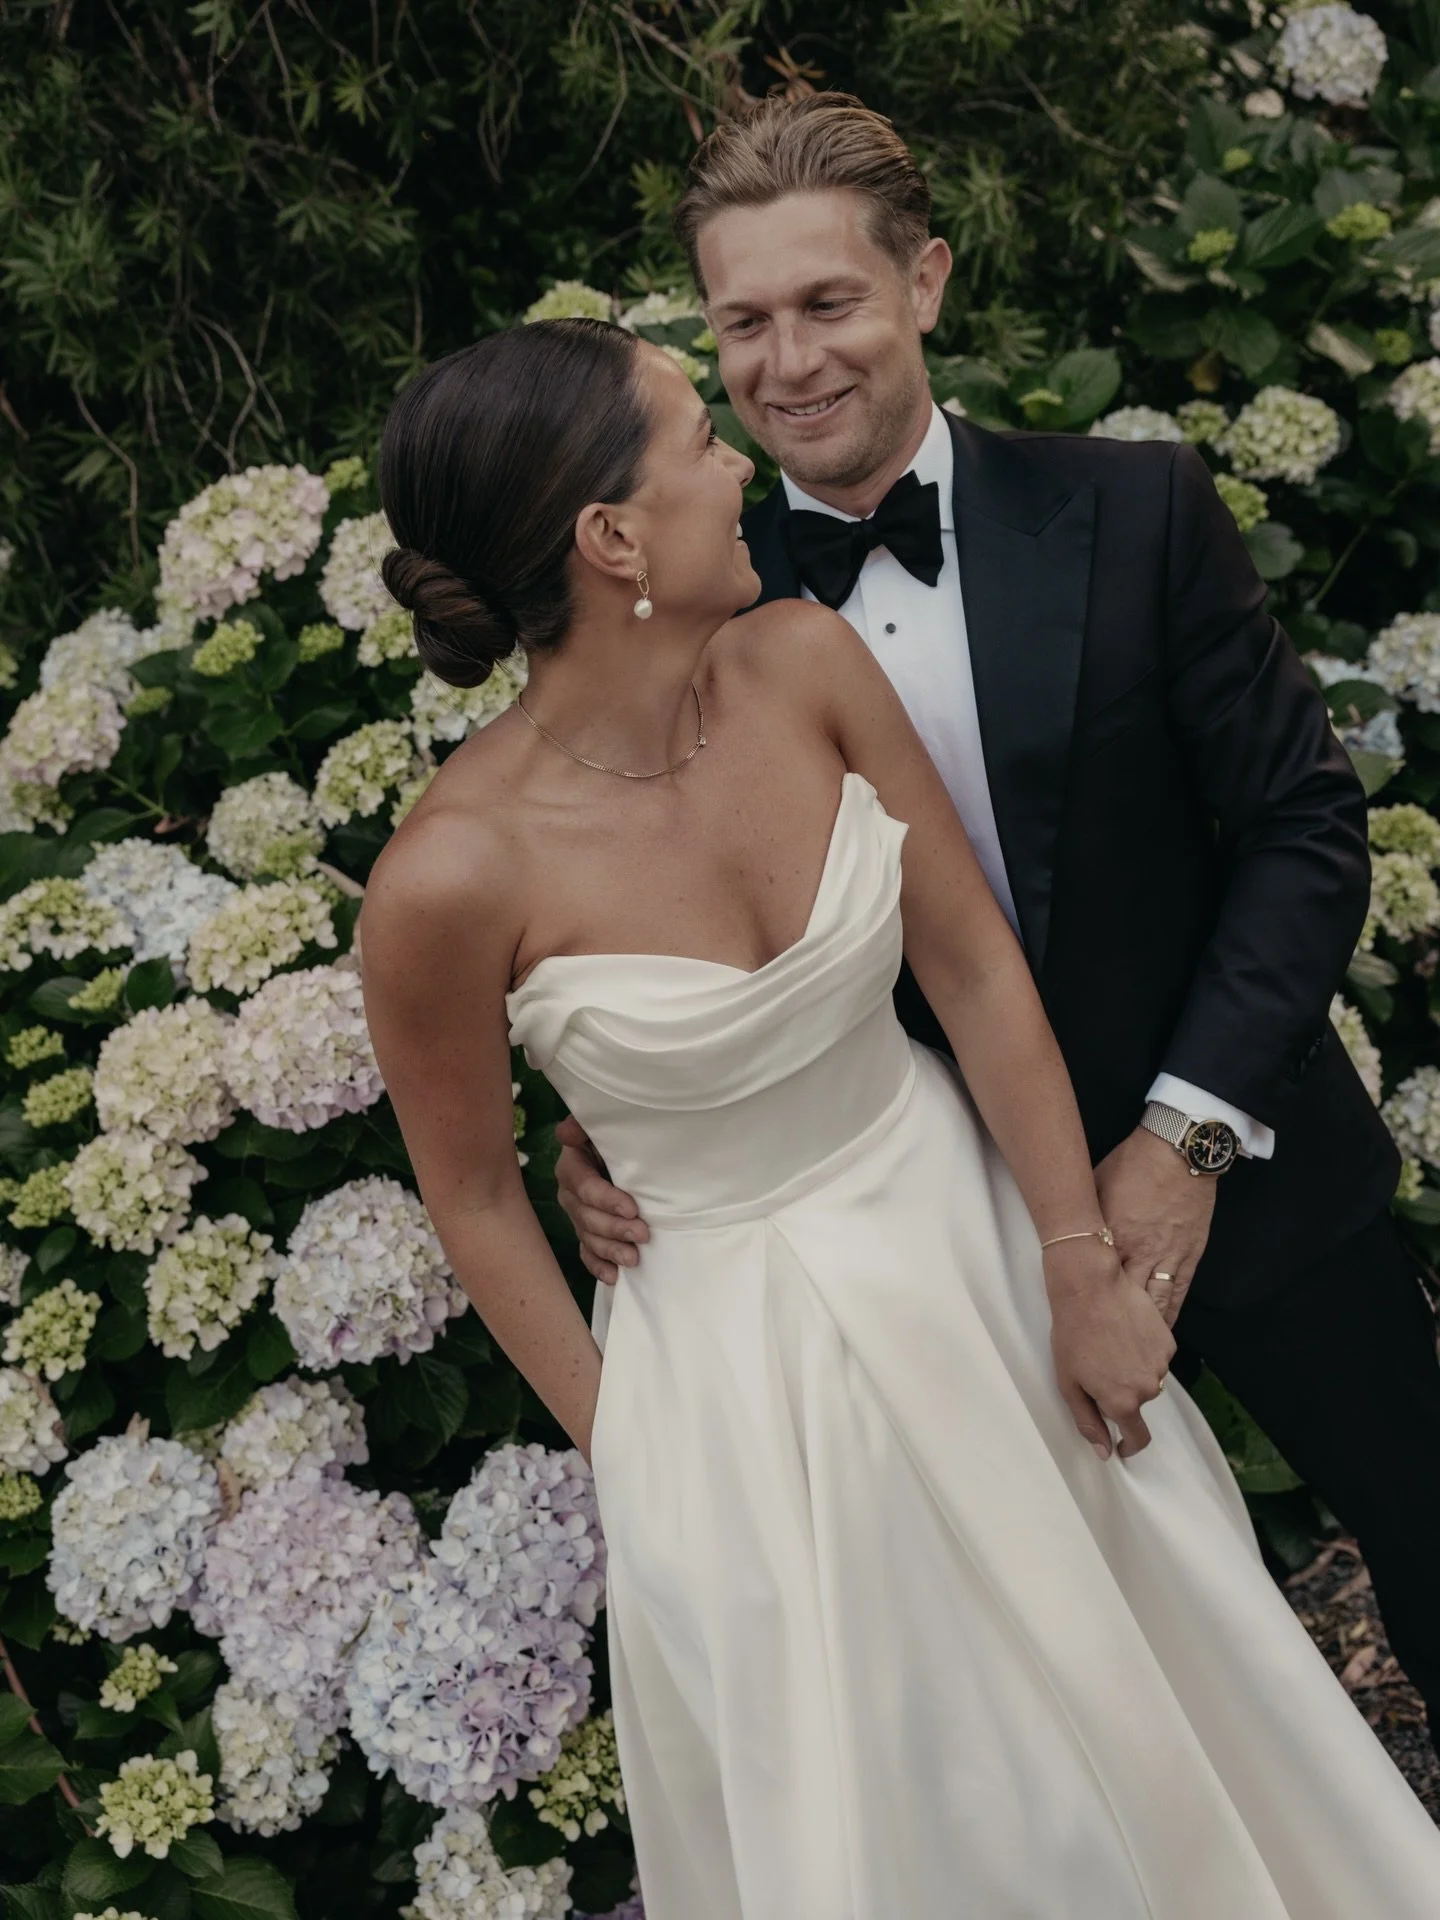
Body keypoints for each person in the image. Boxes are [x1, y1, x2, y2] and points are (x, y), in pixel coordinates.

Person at [358, 310, 1440, 1916]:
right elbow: (472, 1196)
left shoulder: (802, 660)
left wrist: (1076, 1263)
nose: (744, 459)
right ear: (610, 537)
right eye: (698, 440)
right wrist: (639, 1452)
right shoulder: (444, 878)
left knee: (1156, 1722)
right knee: (912, 1810)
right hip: (736, 1400)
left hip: (978, 1267)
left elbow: (980, 969)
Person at [557, 90, 1440, 1754]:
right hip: (932, 1241)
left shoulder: (1139, 509)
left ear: (927, 286)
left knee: (1427, 1531)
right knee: (1068, 1674)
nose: (788, 361)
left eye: (829, 302)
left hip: (1247, 1165)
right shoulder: (684, 602)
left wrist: (1182, 1145)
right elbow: (632, 890)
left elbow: (1305, 832)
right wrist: (614, 1121)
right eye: (743, 321)